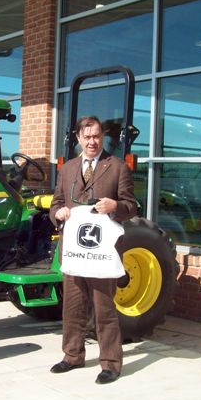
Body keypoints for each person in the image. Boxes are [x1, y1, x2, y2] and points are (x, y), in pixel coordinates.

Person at [49, 115, 138, 384]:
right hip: (74, 251)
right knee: (73, 307)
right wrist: (59, 213)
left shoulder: (117, 167)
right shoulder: (67, 169)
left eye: (96, 136)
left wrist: (115, 206)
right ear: (78, 138)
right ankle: (72, 355)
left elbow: (131, 207)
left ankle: (110, 363)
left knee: (104, 309)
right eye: (86, 136)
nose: (92, 141)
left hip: (102, 253)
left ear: (103, 137)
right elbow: (56, 203)